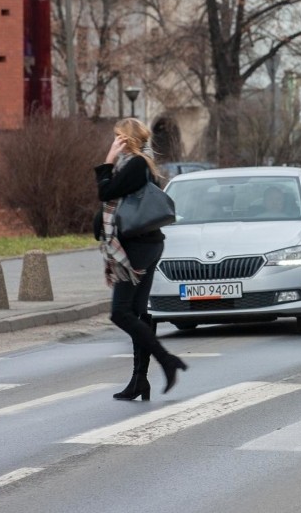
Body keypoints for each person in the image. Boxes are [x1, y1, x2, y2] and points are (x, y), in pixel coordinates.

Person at [95, 118, 187, 401]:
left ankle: (166, 360)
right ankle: (139, 380)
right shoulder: (137, 165)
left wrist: (107, 161)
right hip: (143, 245)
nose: (115, 141)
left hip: (138, 248)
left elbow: (106, 191)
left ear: (128, 139)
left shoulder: (135, 164)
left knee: (121, 312)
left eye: (118, 137)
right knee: (137, 313)